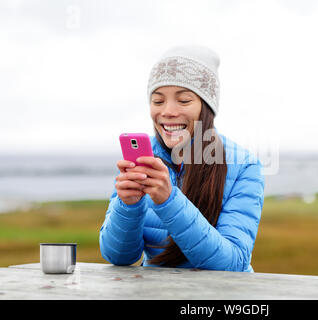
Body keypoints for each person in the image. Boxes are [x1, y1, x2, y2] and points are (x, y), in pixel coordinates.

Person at [99, 45, 265, 272]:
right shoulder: (143, 160)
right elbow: (118, 257)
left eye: (184, 100)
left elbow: (233, 263)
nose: (167, 111)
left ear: (206, 108)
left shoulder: (244, 166)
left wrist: (169, 201)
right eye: (158, 101)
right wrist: (128, 206)